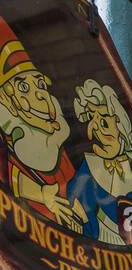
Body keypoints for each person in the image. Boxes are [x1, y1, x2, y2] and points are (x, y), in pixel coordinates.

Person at [0, 15, 84, 230]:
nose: (40, 95)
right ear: (7, 103)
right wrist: (41, 194)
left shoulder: (52, 142)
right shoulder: (13, 145)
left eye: (39, 84)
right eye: (24, 88)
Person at [67, 79, 132, 247]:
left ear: (120, 123)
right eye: (93, 122)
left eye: (104, 120)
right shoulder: (89, 168)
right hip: (97, 261)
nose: (97, 130)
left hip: (127, 262)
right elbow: (78, 213)